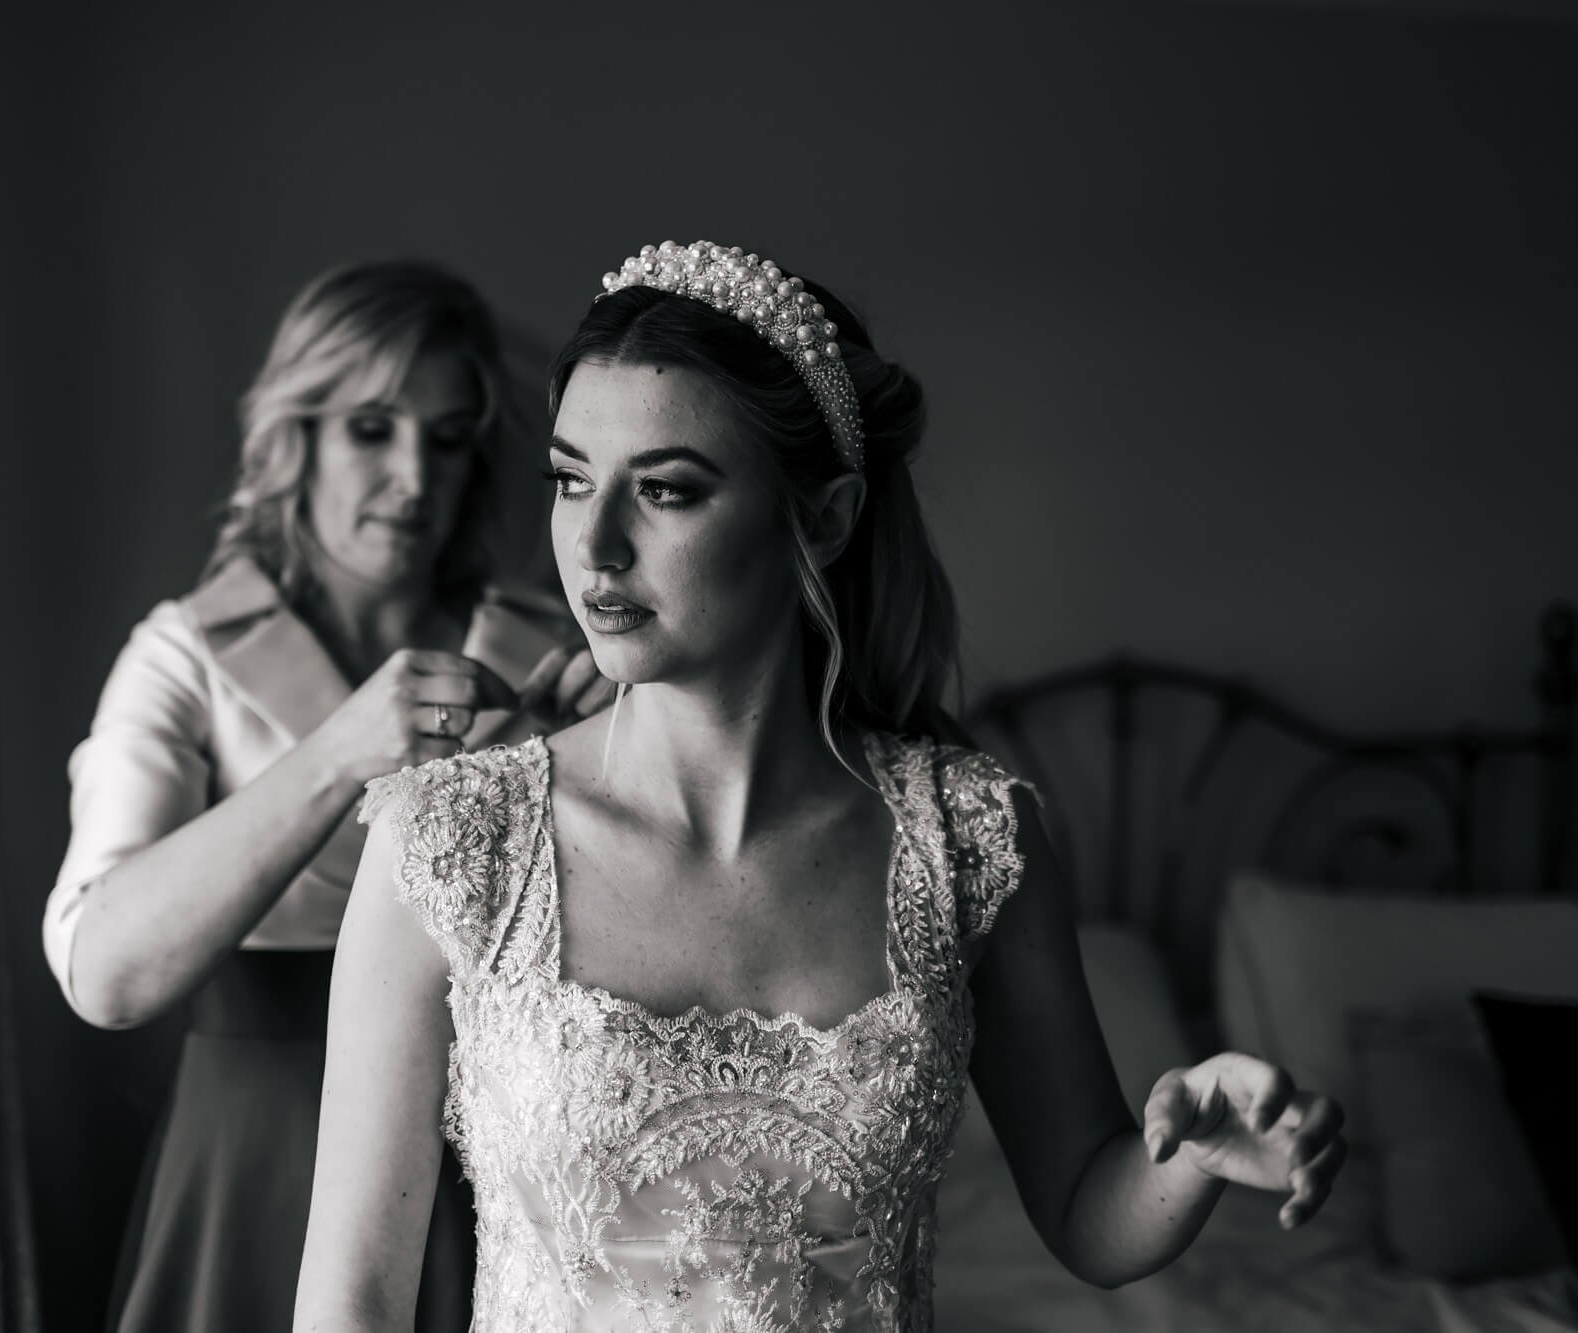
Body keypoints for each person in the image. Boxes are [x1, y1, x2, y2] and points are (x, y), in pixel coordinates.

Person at [293, 241, 1349, 1331]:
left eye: (664, 490)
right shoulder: (450, 842)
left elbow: (1089, 1210)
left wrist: (1197, 1153)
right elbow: (352, 1299)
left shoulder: (971, 840)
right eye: (570, 480)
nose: (593, 545)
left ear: (826, 517)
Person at [43, 260, 610, 1333]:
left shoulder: (557, 650)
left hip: (499, 1147)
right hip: (264, 1154)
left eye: (446, 438)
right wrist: (336, 751)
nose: (412, 476)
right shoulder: (183, 658)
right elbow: (104, 972)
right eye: (369, 427)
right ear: (294, 434)